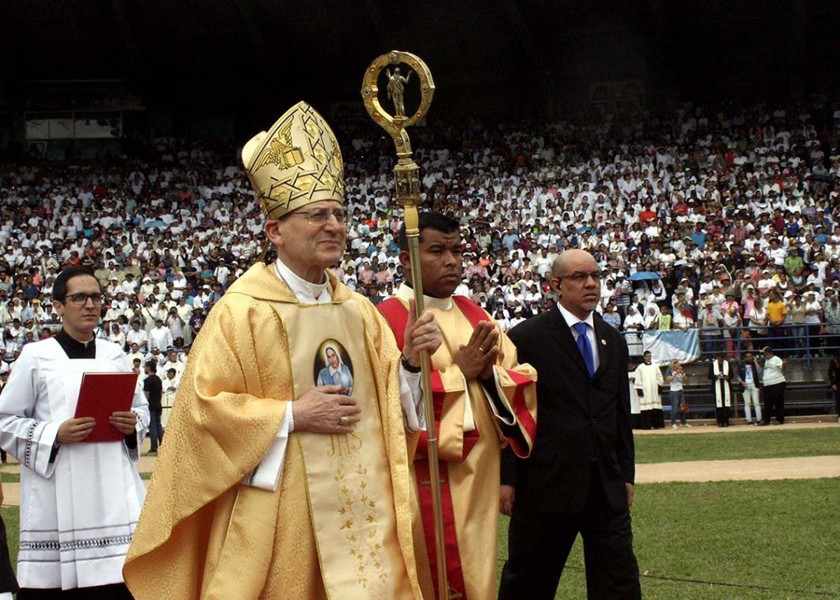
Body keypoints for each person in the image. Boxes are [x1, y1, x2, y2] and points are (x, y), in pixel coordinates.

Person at [123, 101, 441, 599]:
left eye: (339, 213)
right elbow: (202, 412)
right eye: (317, 215)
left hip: (362, 508)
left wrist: (410, 363)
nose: (334, 224)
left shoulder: (360, 311)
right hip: (284, 512)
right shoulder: (242, 311)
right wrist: (291, 414)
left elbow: (390, 407)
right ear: (275, 231)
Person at [377, 212, 537, 599]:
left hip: (479, 480)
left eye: (456, 250)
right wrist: (460, 375)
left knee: (478, 577)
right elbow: (385, 407)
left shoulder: (475, 314)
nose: (452, 260)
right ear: (405, 259)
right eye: (437, 251)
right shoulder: (385, 319)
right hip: (423, 484)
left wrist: (485, 377)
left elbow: (518, 381)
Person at [498, 250, 640, 600]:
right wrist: (508, 478)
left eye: (595, 276)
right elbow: (510, 413)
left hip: (604, 485)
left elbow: (620, 414)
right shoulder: (527, 337)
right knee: (529, 580)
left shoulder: (612, 339)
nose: (590, 284)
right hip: (545, 483)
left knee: (618, 581)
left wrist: (625, 474)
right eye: (579, 277)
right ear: (556, 286)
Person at [0, 266, 148, 598]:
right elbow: (4, 420)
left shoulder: (114, 357)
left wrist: (131, 425)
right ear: (57, 306)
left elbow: (138, 411)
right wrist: (54, 434)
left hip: (112, 497)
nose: (90, 304)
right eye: (79, 297)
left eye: (96, 297)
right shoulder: (36, 357)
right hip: (58, 496)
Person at [634, 350, 665, 429]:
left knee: (655, 407)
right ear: (644, 357)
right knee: (646, 408)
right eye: (647, 356)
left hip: (654, 391)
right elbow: (638, 379)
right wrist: (639, 390)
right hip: (645, 391)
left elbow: (660, 378)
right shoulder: (640, 367)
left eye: (650, 356)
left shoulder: (655, 366)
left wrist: (659, 388)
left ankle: (656, 425)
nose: (649, 358)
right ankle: (646, 426)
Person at [760, 345, 786, 425]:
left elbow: (783, 370)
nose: (763, 355)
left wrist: (784, 365)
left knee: (778, 402)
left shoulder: (776, 359)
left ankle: (779, 419)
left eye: (763, 353)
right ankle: (766, 420)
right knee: (767, 403)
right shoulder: (766, 361)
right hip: (768, 384)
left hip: (777, 383)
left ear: (768, 352)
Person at [143, 361, 164, 453]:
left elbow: (147, 394)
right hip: (158, 403)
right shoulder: (158, 379)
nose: (144, 369)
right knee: (158, 425)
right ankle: (163, 444)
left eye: (145, 367)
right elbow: (160, 393)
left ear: (148, 368)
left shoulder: (147, 380)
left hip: (151, 404)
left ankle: (154, 447)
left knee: (152, 426)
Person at [708, 356, 732, 427]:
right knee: (718, 405)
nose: (720, 360)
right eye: (719, 359)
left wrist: (728, 377)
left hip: (726, 386)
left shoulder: (728, 364)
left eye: (722, 359)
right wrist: (716, 376)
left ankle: (726, 421)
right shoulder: (713, 364)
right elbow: (709, 376)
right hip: (716, 386)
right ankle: (720, 421)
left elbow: (732, 375)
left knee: (726, 405)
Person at [665, 359, 689, 429]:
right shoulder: (670, 371)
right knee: (675, 408)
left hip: (680, 390)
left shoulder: (681, 372)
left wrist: (682, 373)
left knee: (683, 407)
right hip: (674, 391)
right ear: (674, 364)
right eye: (678, 364)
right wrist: (675, 373)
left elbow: (685, 380)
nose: (679, 365)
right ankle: (673, 423)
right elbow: (669, 379)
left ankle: (683, 421)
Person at [829, 352, 840, 424]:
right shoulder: (834, 361)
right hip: (837, 383)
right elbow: (830, 373)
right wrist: (833, 383)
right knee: (838, 400)